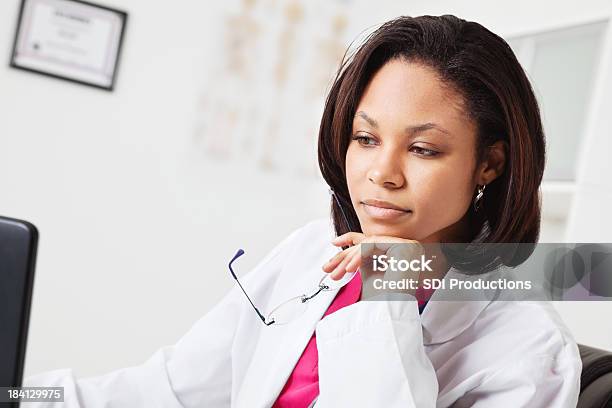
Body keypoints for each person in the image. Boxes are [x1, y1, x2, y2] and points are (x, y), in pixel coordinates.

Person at [23, 14, 581, 407]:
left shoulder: (528, 348)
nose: (381, 172)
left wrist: (387, 288)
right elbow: (170, 389)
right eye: (365, 138)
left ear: (490, 164)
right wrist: (19, 392)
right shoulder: (311, 250)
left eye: (423, 148)